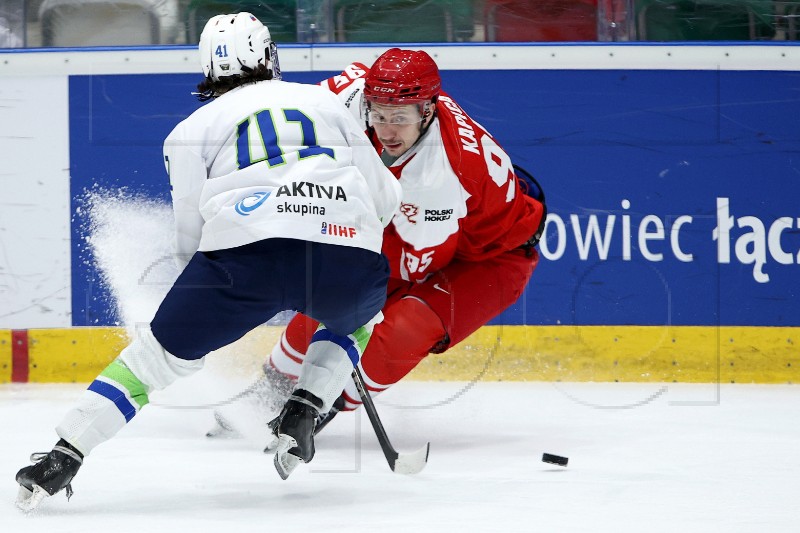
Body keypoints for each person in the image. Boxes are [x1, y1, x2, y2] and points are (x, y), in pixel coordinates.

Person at [14, 12, 401, 511]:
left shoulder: (188, 131)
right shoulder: (325, 102)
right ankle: (305, 406)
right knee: (361, 317)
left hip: (243, 258)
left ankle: (64, 453)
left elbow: (190, 236)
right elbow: (385, 197)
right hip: (345, 252)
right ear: (268, 57)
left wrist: (211, 298)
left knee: (151, 363)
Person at [210, 48, 547, 442]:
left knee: (405, 323)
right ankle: (272, 388)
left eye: (400, 119)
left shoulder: (440, 177)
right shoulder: (355, 93)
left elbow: (402, 279)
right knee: (331, 297)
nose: (387, 131)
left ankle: (319, 407)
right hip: (417, 220)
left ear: (428, 111)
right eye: (380, 114)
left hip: (494, 254)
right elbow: (293, 116)